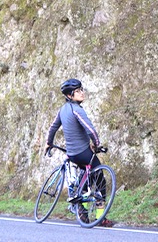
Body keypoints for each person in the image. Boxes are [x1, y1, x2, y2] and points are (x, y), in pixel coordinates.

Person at [46, 78, 114, 227]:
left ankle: (80, 208)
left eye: (81, 90)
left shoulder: (62, 110)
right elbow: (90, 130)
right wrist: (96, 144)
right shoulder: (77, 110)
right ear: (70, 95)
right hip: (83, 152)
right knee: (100, 179)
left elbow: (53, 128)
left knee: (86, 176)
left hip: (71, 154)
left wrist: (49, 143)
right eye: (77, 91)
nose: (81, 93)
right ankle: (100, 216)